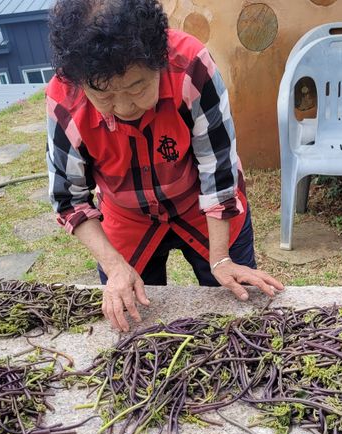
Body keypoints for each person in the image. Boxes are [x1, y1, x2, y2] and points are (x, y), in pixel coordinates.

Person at [46, 0, 283, 331]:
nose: (124, 107)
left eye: (137, 86)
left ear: (160, 59)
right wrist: (114, 266)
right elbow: (70, 200)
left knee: (238, 315)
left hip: (204, 207)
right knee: (136, 325)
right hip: (126, 218)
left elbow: (218, 169)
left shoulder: (191, 66)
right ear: (81, 82)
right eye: (104, 95)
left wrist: (221, 257)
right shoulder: (65, 99)